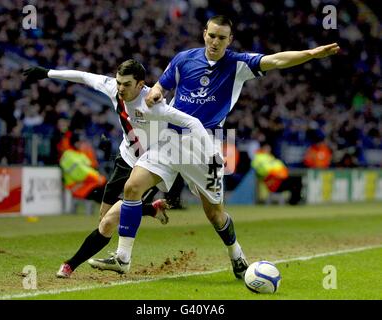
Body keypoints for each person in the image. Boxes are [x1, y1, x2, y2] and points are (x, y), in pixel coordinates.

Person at [88, 15, 339, 279]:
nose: (215, 42)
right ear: (204, 33)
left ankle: (236, 254)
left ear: (229, 40)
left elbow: (276, 60)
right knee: (132, 187)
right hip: (169, 139)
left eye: (221, 38)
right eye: (212, 35)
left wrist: (310, 53)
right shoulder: (184, 59)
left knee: (215, 214)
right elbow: (162, 85)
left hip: (203, 145)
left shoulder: (237, 64)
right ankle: (123, 257)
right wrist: (156, 93)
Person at [23, 59, 214, 278]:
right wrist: (48, 72)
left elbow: (193, 123)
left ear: (140, 85)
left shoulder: (155, 104)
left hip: (150, 165)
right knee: (103, 219)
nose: (120, 88)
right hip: (125, 158)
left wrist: (209, 154)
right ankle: (151, 209)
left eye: (126, 84)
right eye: (119, 82)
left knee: (110, 221)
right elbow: (83, 76)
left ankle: (70, 265)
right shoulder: (113, 87)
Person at [60, 131, 106, 203]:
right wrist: (97, 178)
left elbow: (91, 169)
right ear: (74, 142)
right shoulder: (68, 155)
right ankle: (108, 212)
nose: (81, 144)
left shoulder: (80, 154)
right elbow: (82, 173)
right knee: (102, 193)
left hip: (86, 184)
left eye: (81, 142)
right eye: (79, 142)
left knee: (106, 190)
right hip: (76, 187)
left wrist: (99, 178)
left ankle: (110, 212)